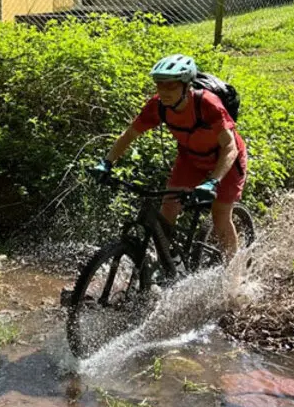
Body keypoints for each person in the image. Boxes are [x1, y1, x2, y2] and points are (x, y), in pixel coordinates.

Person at [93, 54, 247, 261]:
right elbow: (129, 135)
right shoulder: (157, 106)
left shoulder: (208, 104)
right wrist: (107, 162)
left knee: (220, 215)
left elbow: (229, 147)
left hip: (225, 161)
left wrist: (213, 181)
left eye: (171, 86)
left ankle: (235, 275)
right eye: (160, 85)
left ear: (186, 86)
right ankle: (166, 264)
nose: (164, 92)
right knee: (169, 207)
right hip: (190, 158)